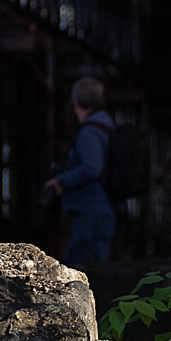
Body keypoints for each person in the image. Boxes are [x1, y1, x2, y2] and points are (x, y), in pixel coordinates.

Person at [44, 77, 115, 266]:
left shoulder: (89, 132)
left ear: (75, 103)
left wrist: (62, 180)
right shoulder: (106, 127)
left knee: (79, 273)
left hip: (91, 213)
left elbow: (92, 167)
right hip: (103, 211)